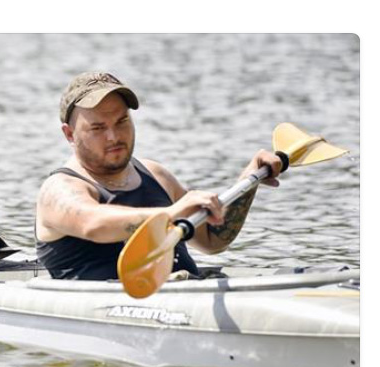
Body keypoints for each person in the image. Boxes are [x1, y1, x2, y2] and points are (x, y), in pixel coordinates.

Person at [35, 72, 283, 280]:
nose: (114, 136)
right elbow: (94, 224)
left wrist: (249, 181)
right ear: (69, 135)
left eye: (122, 121)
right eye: (98, 128)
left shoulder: (156, 175)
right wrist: (171, 214)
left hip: (186, 296)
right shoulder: (60, 189)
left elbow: (212, 241)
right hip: (108, 313)